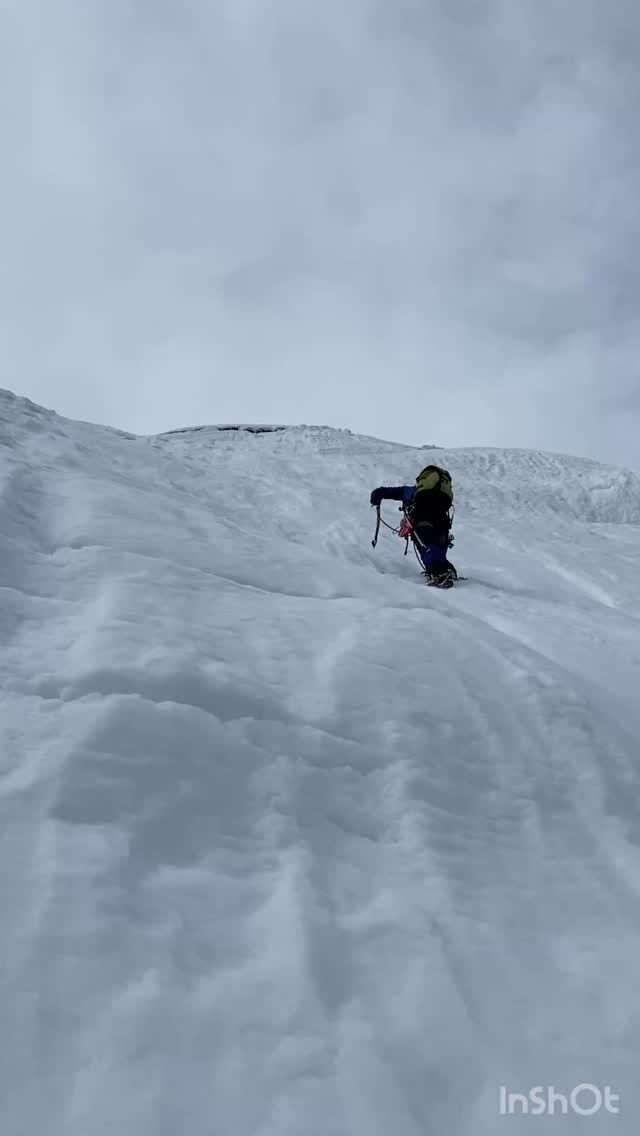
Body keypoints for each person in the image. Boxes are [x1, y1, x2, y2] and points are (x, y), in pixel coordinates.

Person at [370, 464, 458, 587]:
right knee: (439, 544)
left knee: (426, 545)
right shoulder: (439, 495)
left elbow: (393, 492)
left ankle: (437, 571)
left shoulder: (414, 491)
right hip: (442, 519)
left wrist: (378, 493)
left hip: (422, 518)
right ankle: (444, 568)